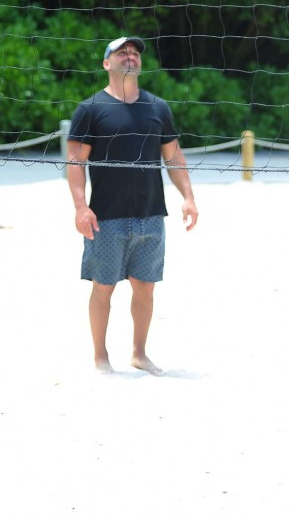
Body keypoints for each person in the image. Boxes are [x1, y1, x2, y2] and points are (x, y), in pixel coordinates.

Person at [67, 36, 198, 375]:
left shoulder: (158, 107)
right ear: (106, 63)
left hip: (151, 214)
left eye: (135, 53)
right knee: (103, 288)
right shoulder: (90, 109)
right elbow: (75, 163)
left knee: (145, 288)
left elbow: (174, 157)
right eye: (122, 52)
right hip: (106, 216)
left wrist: (188, 197)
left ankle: (139, 354)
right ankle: (100, 357)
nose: (130, 56)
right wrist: (81, 207)